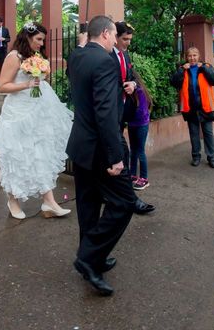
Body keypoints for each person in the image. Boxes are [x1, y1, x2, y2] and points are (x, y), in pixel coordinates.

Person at [67, 15, 137, 297]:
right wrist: (115, 155)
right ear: (107, 34)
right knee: (125, 202)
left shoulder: (77, 56)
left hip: (80, 145)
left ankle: (92, 260)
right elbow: (106, 113)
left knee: (88, 204)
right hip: (99, 148)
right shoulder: (106, 62)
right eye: (113, 36)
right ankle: (88, 256)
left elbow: (90, 96)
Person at [0, 21, 72, 221]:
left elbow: (39, 79)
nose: (41, 43)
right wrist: (27, 84)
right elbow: (2, 86)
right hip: (18, 115)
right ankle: (13, 200)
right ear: (27, 37)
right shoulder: (13, 57)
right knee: (17, 157)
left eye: (43, 40)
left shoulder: (33, 57)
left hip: (37, 111)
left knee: (40, 155)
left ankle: (49, 202)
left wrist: (42, 75)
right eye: (38, 39)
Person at [111, 21, 155, 213]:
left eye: (129, 39)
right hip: (110, 113)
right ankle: (126, 196)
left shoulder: (125, 55)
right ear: (114, 37)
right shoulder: (104, 55)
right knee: (121, 153)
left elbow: (129, 76)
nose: (128, 43)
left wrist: (132, 85)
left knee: (123, 153)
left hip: (123, 113)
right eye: (125, 39)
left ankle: (122, 194)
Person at [170, 46, 214, 168]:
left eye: (194, 55)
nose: (192, 58)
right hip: (190, 108)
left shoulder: (206, 67)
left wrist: (203, 67)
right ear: (186, 57)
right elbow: (173, 82)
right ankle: (196, 156)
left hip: (206, 108)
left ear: (199, 57)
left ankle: (212, 157)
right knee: (194, 134)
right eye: (190, 56)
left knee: (208, 133)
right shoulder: (183, 70)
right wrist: (181, 70)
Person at [127, 71, 153, 190]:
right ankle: (132, 175)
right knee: (133, 151)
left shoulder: (140, 91)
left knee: (140, 151)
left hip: (141, 125)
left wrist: (128, 115)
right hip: (133, 125)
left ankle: (144, 178)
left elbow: (142, 111)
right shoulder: (130, 92)